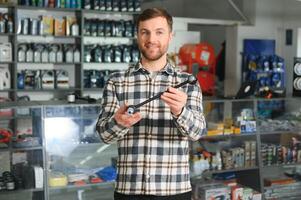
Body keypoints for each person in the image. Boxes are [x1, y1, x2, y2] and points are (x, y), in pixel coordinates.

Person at [97, 7, 206, 200]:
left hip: (174, 190)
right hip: (129, 190)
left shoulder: (188, 82)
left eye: (159, 32)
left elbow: (197, 133)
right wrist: (119, 122)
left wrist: (180, 111)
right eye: (144, 32)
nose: (151, 39)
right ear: (137, 35)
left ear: (170, 36)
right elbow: (104, 136)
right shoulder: (117, 81)